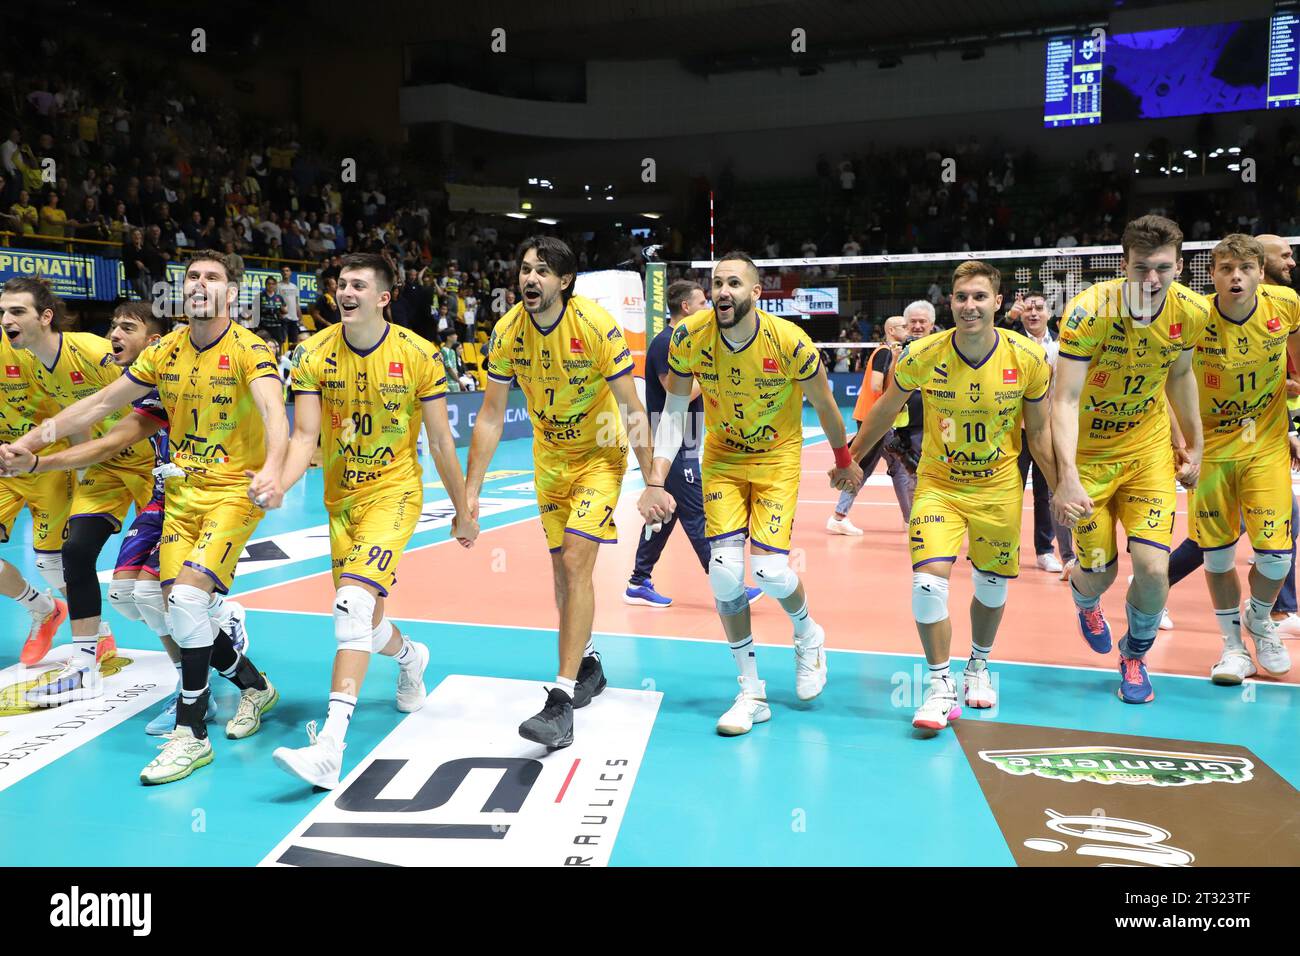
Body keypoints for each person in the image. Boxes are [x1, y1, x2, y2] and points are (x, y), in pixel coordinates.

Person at [0, 249, 288, 785]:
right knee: (155, 598)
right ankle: (253, 685)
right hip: (179, 493)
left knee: (185, 599)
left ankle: (191, 733)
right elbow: (99, 407)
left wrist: (273, 469)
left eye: (213, 278)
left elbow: (274, 409)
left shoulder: (250, 350)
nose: (200, 284)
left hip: (231, 492)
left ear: (231, 292)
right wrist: (32, 448)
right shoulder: (168, 351)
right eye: (192, 276)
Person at [271, 253, 478, 789]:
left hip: (395, 493)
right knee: (365, 620)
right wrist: (280, 481)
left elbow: (439, 441)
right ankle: (411, 656)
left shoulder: (418, 354)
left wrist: (463, 509)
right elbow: (303, 437)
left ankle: (330, 747)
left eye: (359, 285)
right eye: (342, 284)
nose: (346, 292)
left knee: (351, 605)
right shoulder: (312, 351)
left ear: (384, 297)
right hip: (341, 500)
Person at [640, 251, 861, 736]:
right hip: (721, 458)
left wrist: (845, 463)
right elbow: (675, 410)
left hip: (776, 458)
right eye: (717, 282)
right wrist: (655, 479)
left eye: (734, 283)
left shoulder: (789, 341)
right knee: (723, 574)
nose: (722, 291)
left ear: (757, 293)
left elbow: (825, 405)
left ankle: (808, 634)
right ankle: (751, 692)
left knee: (770, 569)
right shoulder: (688, 337)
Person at [2, 302, 251, 732]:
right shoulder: (54, 365)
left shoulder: (142, 369)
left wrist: (39, 461)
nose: (114, 334)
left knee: (160, 595)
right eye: (112, 326)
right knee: (84, 561)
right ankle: (85, 662)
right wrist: (33, 453)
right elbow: (91, 420)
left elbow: (102, 423)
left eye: (126, 328)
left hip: (189, 488)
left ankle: (209, 672)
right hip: (129, 472)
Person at [836, 261, 1054, 731]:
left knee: (991, 588)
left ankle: (978, 665)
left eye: (979, 297)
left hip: (998, 486)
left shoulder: (1029, 358)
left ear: (998, 303)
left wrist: (1062, 487)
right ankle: (940, 685)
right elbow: (884, 409)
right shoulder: (921, 354)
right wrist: (848, 458)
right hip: (939, 484)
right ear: (949, 303)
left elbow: (1039, 433)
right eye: (961, 297)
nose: (969, 305)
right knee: (927, 585)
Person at [470, 237, 656, 750]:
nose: (530, 279)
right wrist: (471, 493)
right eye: (525, 269)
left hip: (599, 455)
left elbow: (632, 406)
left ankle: (560, 701)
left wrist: (652, 479)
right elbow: (488, 416)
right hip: (549, 461)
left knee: (576, 564)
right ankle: (589, 665)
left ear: (565, 281)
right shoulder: (508, 332)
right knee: (561, 574)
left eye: (543, 272)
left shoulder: (595, 326)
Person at [1051, 215, 1211, 705]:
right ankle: (1086, 601)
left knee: (1152, 569)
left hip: (1146, 454)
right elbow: (1065, 400)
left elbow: (1181, 375)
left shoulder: (1191, 312)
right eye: (1141, 268)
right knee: (1099, 572)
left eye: (1163, 268)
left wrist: (1195, 442)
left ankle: (1134, 655)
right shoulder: (1087, 312)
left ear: (1180, 266)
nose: (1152, 279)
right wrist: (1068, 478)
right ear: (1124, 264)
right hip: (1090, 457)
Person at [0, 279, 158, 703]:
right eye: (3, 313)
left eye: (16, 312)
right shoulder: (30, 361)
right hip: (101, 468)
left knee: (160, 581)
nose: (6, 321)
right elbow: (76, 416)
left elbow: (133, 397)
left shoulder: (91, 350)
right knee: (73, 554)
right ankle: (85, 661)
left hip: (149, 465)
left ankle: (218, 628)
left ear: (44, 316)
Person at [1181, 236, 1297, 684]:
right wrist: (1182, 445)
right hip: (1210, 451)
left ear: (1258, 272)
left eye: (1244, 268)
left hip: (1264, 446)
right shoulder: (1193, 317)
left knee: (1275, 559)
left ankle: (1260, 615)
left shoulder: (1285, 305)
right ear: (1213, 274)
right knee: (1217, 557)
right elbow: (1173, 382)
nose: (1236, 277)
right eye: (1226, 268)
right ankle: (1232, 649)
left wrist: (1291, 428)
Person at [624, 279, 762, 608]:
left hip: (688, 440)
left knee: (667, 513)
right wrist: (715, 372)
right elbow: (677, 391)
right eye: (703, 303)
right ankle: (729, 586)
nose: (709, 307)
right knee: (697, 514)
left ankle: (638, 581)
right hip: (670, 444)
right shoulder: (664, 343)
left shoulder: (689, 342)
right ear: (686, 308)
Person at [0, 281, 74, 667]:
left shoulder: (42, 351)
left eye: (14, 312)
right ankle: (43, 609)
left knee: (51, 563)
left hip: (46, 462)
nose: (7, 320)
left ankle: (95, 631)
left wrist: (28, 448)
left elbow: (73, 415)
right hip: (2, 464)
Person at [1006, 289, 1075, 575]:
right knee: (1010, 491)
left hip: (1050, 430)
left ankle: (1047, 551)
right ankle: (1004, 550)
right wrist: (1007, 318)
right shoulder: (1010, 343)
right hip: (1016, 431)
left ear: (1048, 313)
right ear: (1020, 314)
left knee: (1049, 492)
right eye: (1028, 309)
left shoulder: (1062, 347)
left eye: (1039, 308)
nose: (1033, 313)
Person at [827, 314, 909, 535]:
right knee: (869, 466)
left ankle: (909, 519)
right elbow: (875, 386)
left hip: (879, 418)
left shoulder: (891, 352)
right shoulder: (883, 352)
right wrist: (892, 403)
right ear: (891, 330)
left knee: (896, 466)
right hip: (875, 418)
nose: (908, 329)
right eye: (904, 326)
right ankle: (838, 516)